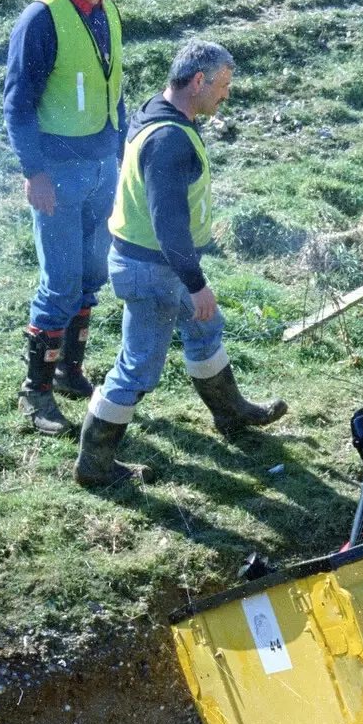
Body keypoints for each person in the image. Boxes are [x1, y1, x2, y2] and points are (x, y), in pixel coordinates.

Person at [75, 39, 287, 487]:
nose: (226, 94)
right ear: (197, 81)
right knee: (136, 366)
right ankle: (94, 466)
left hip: (151, 262)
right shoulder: (170, 139)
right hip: (154, 270)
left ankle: (231, 415)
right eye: (223, 85)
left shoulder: (161, 110)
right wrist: (196, 283)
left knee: (204, 328)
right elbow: (167, 223)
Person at [3, 0, 129, 436]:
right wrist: (33, 173)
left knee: (92, 276)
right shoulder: (42, 18)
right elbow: (18, 105)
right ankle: (35, 394)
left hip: (102, 169)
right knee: (60, 285)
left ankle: (67, 372)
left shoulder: (108, 10)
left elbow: (113, 87)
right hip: (58, 175)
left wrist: (121, 152)